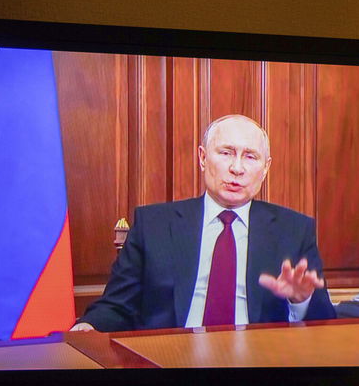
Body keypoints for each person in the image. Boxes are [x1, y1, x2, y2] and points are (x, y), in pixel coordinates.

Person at [73, 114, 335, 331]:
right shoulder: (153, 225)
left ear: (265, 168)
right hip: (168, 361)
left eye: (250, 157)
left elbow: (325, 324)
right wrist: (88, 327)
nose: (237, 168)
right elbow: (117, 306)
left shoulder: (294, 230)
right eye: (226, 152)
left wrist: (300, 300)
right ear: (202, 157)